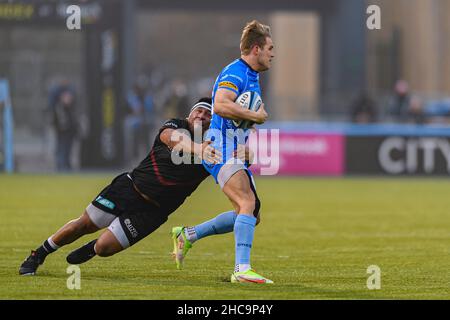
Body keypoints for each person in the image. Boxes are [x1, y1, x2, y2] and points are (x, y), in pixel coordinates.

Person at [19, 98, 222, 276]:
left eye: (208, 114)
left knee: (104, 248)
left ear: (213, 121)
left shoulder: (215, 149)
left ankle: (94, 247)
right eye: (199, 111)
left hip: (153, 212)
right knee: (84, 225)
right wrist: (197, 149)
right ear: (190, 114)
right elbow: (171, 138)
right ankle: (38, 255)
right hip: (129, 189)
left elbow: (235, 162)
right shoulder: (177, 126)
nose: (202, 116)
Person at [171, 20, 274, 284]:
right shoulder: (236, 72)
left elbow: (238, 120)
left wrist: (247, 142)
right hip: (219, 148)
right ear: (255, 49)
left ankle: (188, 234)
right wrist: (255, 116)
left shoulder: (252, 76)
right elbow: (220, 105)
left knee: (252, 214)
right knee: (246, 204)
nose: (272, 53)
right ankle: (242, 270)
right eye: (269, 48)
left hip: (232, 147)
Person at [49, 83, 78, 171]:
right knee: (61, 148)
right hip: (62, 131)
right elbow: (61, 121)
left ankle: (67, 165)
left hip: (70, 131)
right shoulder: (59, 107)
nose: (68, 99)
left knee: (68, 149)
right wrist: (63, 127)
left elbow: (73, 120)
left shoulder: (71, 107)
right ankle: (61, 166)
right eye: (66, 97)